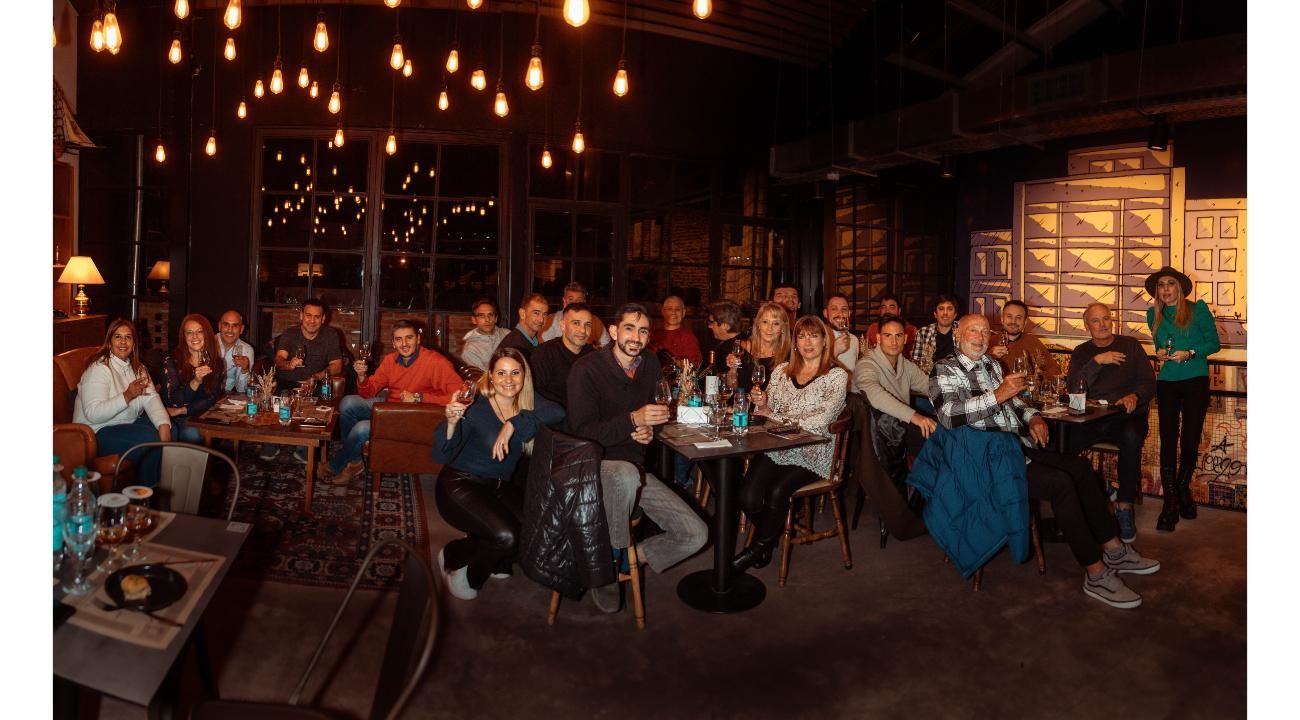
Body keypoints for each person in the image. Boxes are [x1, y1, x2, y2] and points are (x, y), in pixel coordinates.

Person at [930, 314, 1160, 609]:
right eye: (973, 330)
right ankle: (1095, 572)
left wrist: (1033, 416)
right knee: (1061, 483)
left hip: (1012, 448)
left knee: (1080, 469)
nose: (980, 336)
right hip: (980, 460)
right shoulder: (944, 369)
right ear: (958, 335)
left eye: (985, 331)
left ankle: (1113, 548)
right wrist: (998, 395)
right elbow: (949, 415)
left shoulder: (990, 365)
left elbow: (1014, 402)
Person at [566, 303, 708, 613]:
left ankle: (623, 559)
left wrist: (648, 433)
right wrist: (633, 420)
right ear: (614, 331)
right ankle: (607, 571)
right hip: (593, 467)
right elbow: (582, 432)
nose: (636, 336)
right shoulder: (587, 369)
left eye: (643, 330)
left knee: (696, 534)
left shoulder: (650, 365)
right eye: (629, 328)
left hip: (636, 468)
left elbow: (651, 420)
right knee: (624, 475)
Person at [434, 347, 564, 600]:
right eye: (501, 373)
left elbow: (558, 411)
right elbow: (442, 455)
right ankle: (460, 565)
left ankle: (475, 549)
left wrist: (514, 423)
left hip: (496, 486)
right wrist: (450, 423)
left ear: (524, 377)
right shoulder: (475, 406)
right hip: (459, 485)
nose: (508, 380)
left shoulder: (526, 401)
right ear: (490, 376)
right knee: (506, 536)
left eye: (515, 373)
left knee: (534, 529)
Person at [732, 316, 849, 572]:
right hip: (777, 446)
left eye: (814, 336)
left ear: (825, 341)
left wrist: (777, 417)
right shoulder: (782, 371)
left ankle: (756, 550)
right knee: (747, 495)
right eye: (802, 336)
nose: (808, 342)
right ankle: (768, 539)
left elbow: (821, 420)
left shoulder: (836, 376)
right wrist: (761, 403)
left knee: (776, 492)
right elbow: (765, 412)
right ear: (795, 342)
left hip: (813, 451)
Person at [321, 320, 463, 485]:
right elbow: (368, 392)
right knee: (347, 403)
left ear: (418, 338)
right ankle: (354, 462)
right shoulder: (390, 360)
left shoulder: (436, 362)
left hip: (418, 416)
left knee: (361, 429)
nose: (404, 344)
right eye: (398, 339)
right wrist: (361, 376)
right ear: (393, 343)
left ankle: (335, 465)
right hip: (390, 408)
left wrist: (419, 397)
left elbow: (460, 395)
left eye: (409, 338)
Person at [1066, 303, 1156, 543]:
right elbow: (1074, 389)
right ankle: (1077, 501)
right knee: (1063, 442)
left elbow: (1149, 382)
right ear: (1087, 326)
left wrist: (1135, 396)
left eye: (1106, 319)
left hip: (1127, 417)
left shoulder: (1131, 345)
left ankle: (1124, 505)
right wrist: (1098, 361)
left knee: (1130, 438)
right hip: (1092, 420)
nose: (1102, 324)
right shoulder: (1081, 352)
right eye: (1096, 321)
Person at [1145, 266, 1220, 532]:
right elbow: (1159, 345)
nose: (1165, 289)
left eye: (1170, 284)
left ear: (1179, 287)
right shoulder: (1153, 313)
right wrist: (1160, 353)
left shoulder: (1197, 309)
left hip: (1195, 381)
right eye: (1161, 285)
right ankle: (1171, 504)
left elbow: (1213, 344)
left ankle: (1180, 493)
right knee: (1167, 440)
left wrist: (1189, 352)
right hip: (1167, 382)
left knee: (1189, 440)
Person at [72, 319, 173, 487]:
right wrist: (126, 396)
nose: (123, 342)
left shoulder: (138, 368)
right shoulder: (98, 369)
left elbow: (151, 397)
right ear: (109, 342)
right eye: (117, 337)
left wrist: (163, 424)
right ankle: (145, 494)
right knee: (150, 439)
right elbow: (93, 413)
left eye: (128, 337)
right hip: (96, 434)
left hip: (125, 425)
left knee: (171, 429)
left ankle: (161, 486)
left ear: (134, 343)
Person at [262, 298, 343, 462]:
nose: (312, 321)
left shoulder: (331, 335)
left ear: (323, 319)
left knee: (316, 408)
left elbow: (337, 366)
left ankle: (305, 446)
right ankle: (273, 441)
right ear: (301, 316)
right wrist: (288, 364)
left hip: (316, 384)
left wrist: (315, 377)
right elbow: (278, 360)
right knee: (279, 400)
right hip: (287, 382)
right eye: (308, 315)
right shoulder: (290, 333)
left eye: (317, 316)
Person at [855, 316, 936, 459]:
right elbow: (875, 395)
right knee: (932, 441)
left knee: (944, 430)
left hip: (899, 428)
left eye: (898, 336)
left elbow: (930, 387)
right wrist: (914, 416)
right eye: (888, 336)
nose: (894, 342)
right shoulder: (866, 364)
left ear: (905, 339)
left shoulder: (905, 365)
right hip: (875, 436)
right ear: (879, 339)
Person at [161, 314, 226, 443]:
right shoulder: (171, 361)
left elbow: (212, 398)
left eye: (199, 331)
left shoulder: (216, 363)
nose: (194, 336)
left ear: (207, 334)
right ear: (184, 337)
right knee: (194, 434)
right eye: (189, 332)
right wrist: (195, 381)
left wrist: (182, 410)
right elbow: (175, 401)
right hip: (174, 419)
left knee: (223, 428)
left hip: (200, 414)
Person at [531, 302, 596, 408]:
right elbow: (534, 397)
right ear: (562, 326)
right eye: (576, 323)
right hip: (554, 419)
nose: (583, 330)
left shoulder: (593, 355)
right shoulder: (543, 355)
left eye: (587, 325)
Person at [990, 300, 1060, 381]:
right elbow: (975, 375)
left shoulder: (1033, 342)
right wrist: (989, 357)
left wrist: (1040, 374)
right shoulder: (989, 342)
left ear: (1025, 322)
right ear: (1002, 319)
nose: (1013, 321)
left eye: (1018, 317)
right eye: (1009, 316)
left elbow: (1055, 372)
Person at [738, 301, 791, 390]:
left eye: (776, 323)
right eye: (765, 322)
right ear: (758, 324)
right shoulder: (742, 349)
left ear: (783, 328)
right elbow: (731, 386)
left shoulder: (789, 355)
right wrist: (732, 368)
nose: (769, 328)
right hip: (743, 402)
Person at [541, 282, 610, 346]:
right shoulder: (550, 320)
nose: (575, 303)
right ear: (564, 301)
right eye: (571, 299)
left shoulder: (595, 321)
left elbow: (606, 345)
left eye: (579, 299)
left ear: (584, 302)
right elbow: (544, 346)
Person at [911, 294, 960, 376]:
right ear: (935, 314)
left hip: (958, 379)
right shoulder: (923, 332)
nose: (945, 313)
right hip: (930, 379)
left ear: (955, 314)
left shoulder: (963, 330)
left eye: (949, 309)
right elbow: (916, 363)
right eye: (941, 309)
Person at [649, 295, 702, 367]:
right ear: (663, 312)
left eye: (677, 309)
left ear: (683, 313)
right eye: (669, 309)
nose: (673, 312)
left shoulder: (688, 337)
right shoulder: (653, 335)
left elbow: (695, 364)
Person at [461, 298, 509, 371]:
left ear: (496, 318)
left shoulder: (507, 334)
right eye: (481, 315)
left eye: (490, 315)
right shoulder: (471, 349)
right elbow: (483, 378)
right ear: (474, 320)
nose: (487, 319)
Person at [497, 293, 549, 357]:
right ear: (522, 314)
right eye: (536, 313)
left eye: (545, 314)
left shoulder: (530, 340)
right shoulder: (515, 346)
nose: (541, 319)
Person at [706, 300, 747, 377]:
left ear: (725, 325)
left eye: (712, 322)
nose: (709, 326)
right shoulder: (742, 340)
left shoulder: (735, 349)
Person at [216, 310, 254, 393]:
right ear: (219, 326)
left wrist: (245, 370)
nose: (230, 330)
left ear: (241, 329)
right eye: (226, 325)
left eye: (235, 326)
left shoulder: (246, 350)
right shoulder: (207, 343)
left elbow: (241, 390)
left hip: (226, 396)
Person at [822, 293, 860, 372]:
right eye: (834, 309)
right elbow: (812, 375)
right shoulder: (817, 339)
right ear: (825, 313)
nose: (840, 314)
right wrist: (834, 352)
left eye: (844, 309)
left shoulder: (854, 339)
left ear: (849, 313)